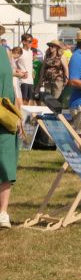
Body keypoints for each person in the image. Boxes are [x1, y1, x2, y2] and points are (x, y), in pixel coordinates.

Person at [0, 40, 24, 229]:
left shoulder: (4, 53)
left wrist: (17, 114)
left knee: (6, 163)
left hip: (4, 117)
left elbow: (12, 87)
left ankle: (3, 212)